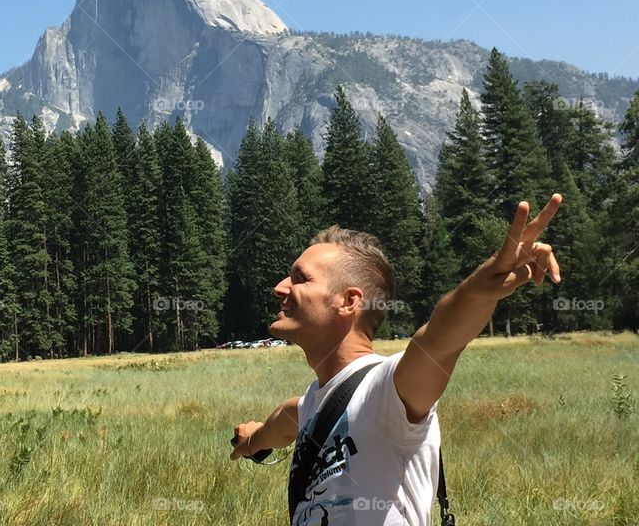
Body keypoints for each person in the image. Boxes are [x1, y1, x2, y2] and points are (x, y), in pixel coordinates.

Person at [230, 195, 563, 525]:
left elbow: (439, 340)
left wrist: (483, 285)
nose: (280, 288)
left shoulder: (389, 389)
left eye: (300, 278)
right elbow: (275, 427)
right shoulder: (306, 409)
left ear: (348, 301)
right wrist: (251, 440)